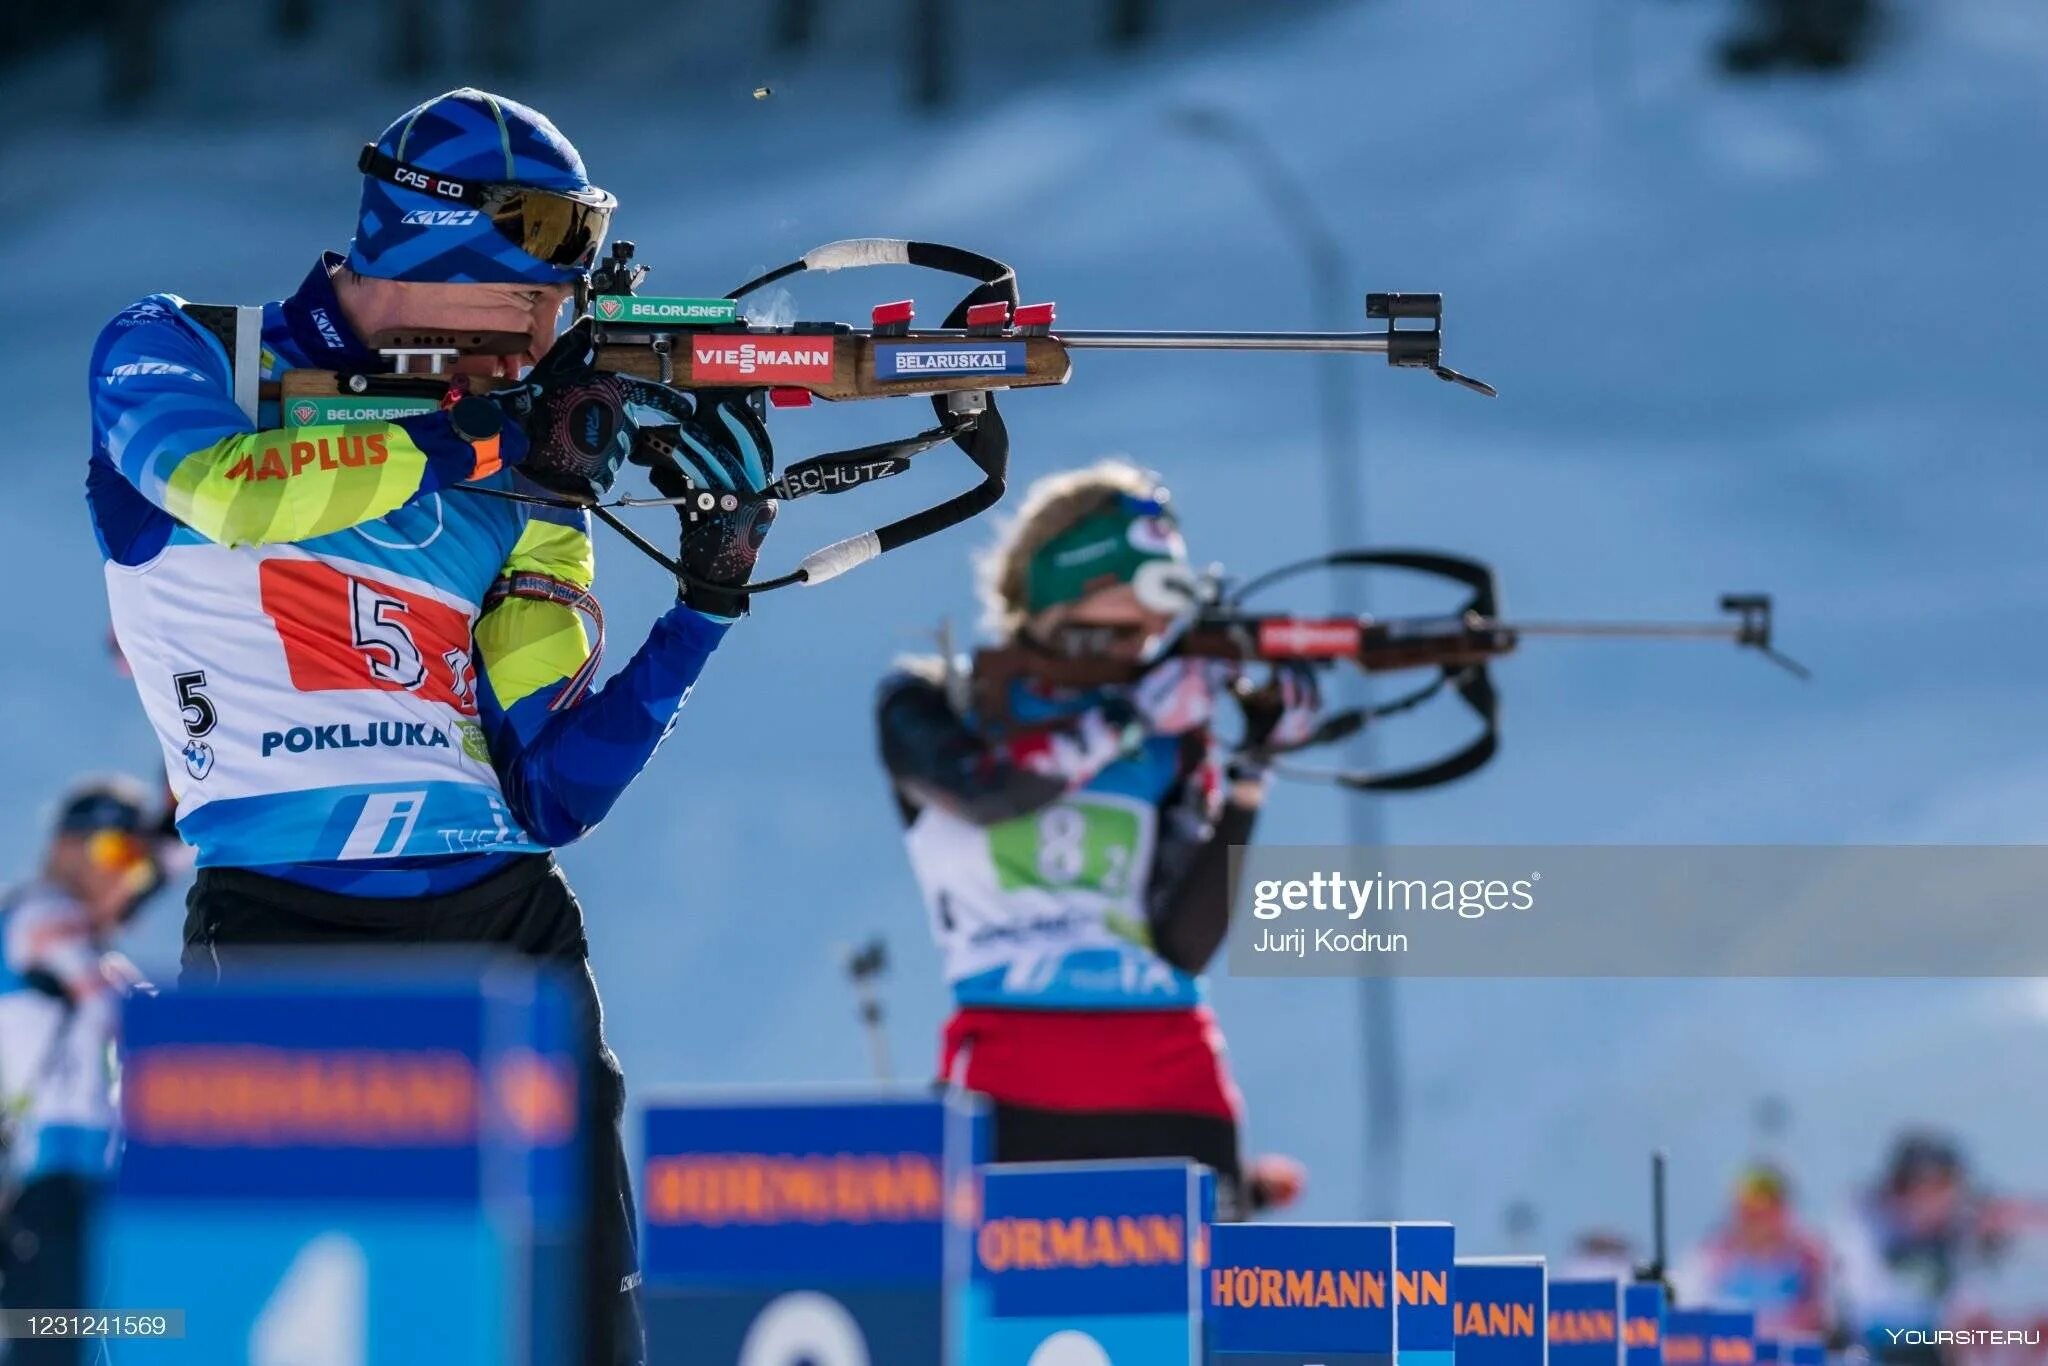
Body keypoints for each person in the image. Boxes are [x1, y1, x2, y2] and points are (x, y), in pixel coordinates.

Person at [86, 89, 776, 1365]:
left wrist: (707, 600)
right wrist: (471, 443)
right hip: (279, 923)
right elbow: (221, 493)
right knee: (264, 1329)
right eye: (524, 305)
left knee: (571, 1332)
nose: (543, 336)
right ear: (426, 251)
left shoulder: (524, 465)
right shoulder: (186, 350)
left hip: (502, 925)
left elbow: (557, 785)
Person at [874, 460, 1319, 1219]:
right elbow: (994, 796)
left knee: (1194, 1335)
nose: (1152, 635)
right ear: (1070, 588)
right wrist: (1132, 718)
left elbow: (1185, 944)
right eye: (1138, 606)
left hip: (1172, 1074)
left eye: (1163, 618)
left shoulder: (1168, 724)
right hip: (1010, 1078)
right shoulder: (935, 701)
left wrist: (1251, 772)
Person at [0, 778, 167, 1366]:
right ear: (66, 848)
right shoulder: (39, 916)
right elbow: (117, 1017)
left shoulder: (96, 948)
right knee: (53, 1352)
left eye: (135, 864)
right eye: (111, 852)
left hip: (98, 1192)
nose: (124, 873)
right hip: (52, 1189)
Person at [1835, 1132, 2028, 1364]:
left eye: (1941, 1189)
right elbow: (1864, 1315)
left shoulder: (1965, 1227)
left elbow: (1979, 1307)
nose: (1930, 1201)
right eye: (1919, 1190)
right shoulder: (1865, 1221)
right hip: (1872, 1348)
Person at [1673, 1162, 1830, 1336]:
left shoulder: (1810, 1259)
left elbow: (1825, 1321)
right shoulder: (1709, 1258)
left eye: (1767, 1211)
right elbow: (1687, 1312)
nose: (1758, 1223)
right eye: (1750, 1213)